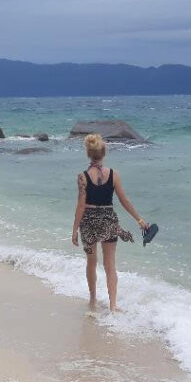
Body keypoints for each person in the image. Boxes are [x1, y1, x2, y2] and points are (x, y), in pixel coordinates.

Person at [71, 133, 147, 312]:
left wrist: (74, 230)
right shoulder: (113, 175)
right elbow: (124, 200)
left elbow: (80, 206)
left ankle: (93, 301)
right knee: (110, 264)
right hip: (109, 220)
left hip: (89, 222)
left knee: (91, 262)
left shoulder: (82, 177)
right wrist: (140, 220)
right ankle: (113, 306)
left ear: (88, 154)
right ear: (103, 153)